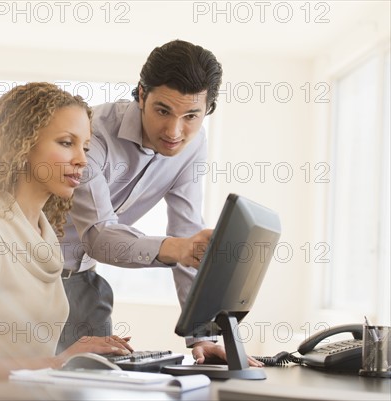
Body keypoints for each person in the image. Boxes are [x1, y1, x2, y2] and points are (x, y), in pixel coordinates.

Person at [57, 40, 262, 367]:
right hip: (32, 273)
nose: (174, 131)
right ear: (141, 94)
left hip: (84, 280)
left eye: (191, 116)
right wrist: (177, 247)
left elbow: (188, 231)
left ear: (207, 110)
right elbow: (97, 237)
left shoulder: (194, 147)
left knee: (100, 379)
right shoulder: (92, 134)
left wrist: (203, 335)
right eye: (162, 110)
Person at [0, 82, 132, 393]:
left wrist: (71, 355)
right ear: (22, 145)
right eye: (66, 143)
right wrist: (58, 363)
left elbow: (28, 360)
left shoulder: (45, 234)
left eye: (85, 147)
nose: (82, 160)